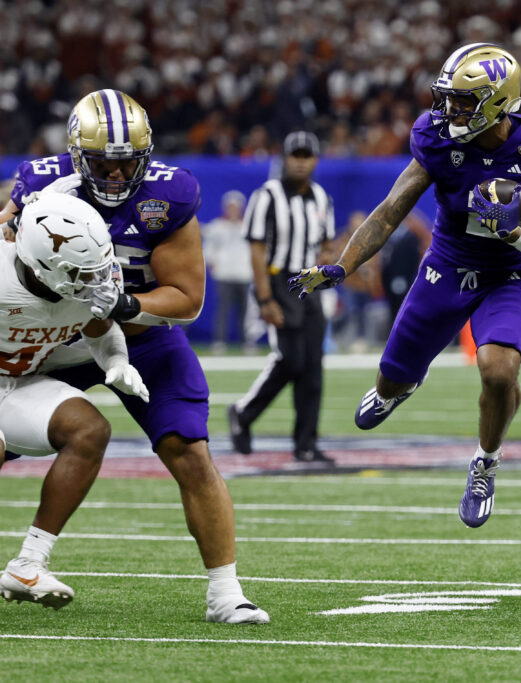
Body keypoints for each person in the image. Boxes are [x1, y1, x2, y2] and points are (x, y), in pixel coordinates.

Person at [0, 89, 269, 624]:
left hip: (138, 331)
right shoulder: (40, 185)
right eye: (105, 164)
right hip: (55, 334)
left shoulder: (168, 196)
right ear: (78, 156)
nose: (118, 177)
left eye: (128, 164)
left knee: (188, 450)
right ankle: (29, 563)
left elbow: (188, 299)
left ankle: (225, 593)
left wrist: (127, 305)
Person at [290, 43, 521, 528]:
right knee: (393, 375)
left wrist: (514, 233)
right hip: (447, 263)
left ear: (498, 101)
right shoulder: (437, 137)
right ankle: (397, 388)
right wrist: (343, 266)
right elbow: (389, 211)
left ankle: (485, 461)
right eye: (449, 98)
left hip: (508, 271)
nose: (451, 110)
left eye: (464, 100)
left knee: (500, 372)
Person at [1, 192, 148, 610]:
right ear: (42, 263)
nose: (96, 280)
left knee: (89, 430)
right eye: (82, 273)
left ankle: (29, 563)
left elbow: (100, 328)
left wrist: (116, 359)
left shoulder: (84, 277)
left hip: (19, 382)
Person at [228, 132, 338, 463]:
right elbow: (257, 249)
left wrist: (324, 276)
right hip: (280, 281)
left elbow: (326, 245)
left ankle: (306, 443)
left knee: (313, 368)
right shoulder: (267, 195)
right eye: (295, 155)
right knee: (291, 359)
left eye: (307, 155)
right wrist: (264, 299)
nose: (301, 161)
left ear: (315, 160)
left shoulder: (321, 197)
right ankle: (243, 413)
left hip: (309, 284)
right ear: (285, 158)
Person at [202, 190, 254, 354]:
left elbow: (255, 249)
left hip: (244, 273)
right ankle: (219, 341)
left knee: (244, 311)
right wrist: (211, 263)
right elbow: (209, 248)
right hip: (224, 274)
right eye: (230, 207)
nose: (233, 210)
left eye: (236, 207)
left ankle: (246, 342)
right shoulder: (217, 226)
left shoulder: (248, 226)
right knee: (222, 310)